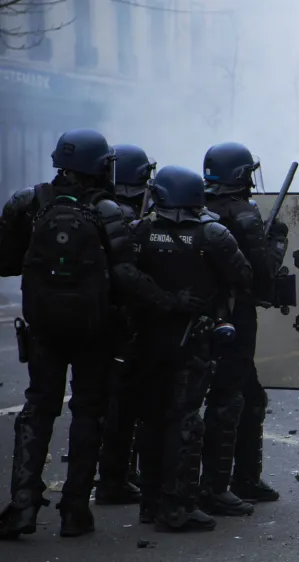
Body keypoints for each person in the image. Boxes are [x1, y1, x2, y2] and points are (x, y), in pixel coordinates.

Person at [0, 130, 201, 540]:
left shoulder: (27, 202)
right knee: (88, 413)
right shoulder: (111, 212)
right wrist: (172, 301)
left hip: (43, 330)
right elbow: (127, 275)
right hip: (96, 331)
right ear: (100, 166)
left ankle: (21, 508)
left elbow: (5, 262)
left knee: (38, 410)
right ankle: (75, 512)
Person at [131, 164, 252, 532]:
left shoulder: (141, 230)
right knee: (184, 421)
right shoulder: (213, 233)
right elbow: (244, 277)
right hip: (192, 341)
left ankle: (150, 503)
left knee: (150, 420)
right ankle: (178, 506)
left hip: (148, 339)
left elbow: (124, 277)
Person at [201, 142, 288, 514]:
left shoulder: (189, 208)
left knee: (243, 397)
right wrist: (278, 238)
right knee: (230, 399)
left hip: (190, 317)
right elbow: (262, 277)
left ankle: (243, 480)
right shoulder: (245, 215)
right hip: (233, 320)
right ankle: (217, 487)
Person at [95, 143, 157, 506]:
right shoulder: (126, 218)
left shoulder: (90, 209)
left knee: (94, 404)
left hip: (86, 322)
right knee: (124, 406)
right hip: (121, 326)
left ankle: (101, 479)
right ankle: (114, 480)